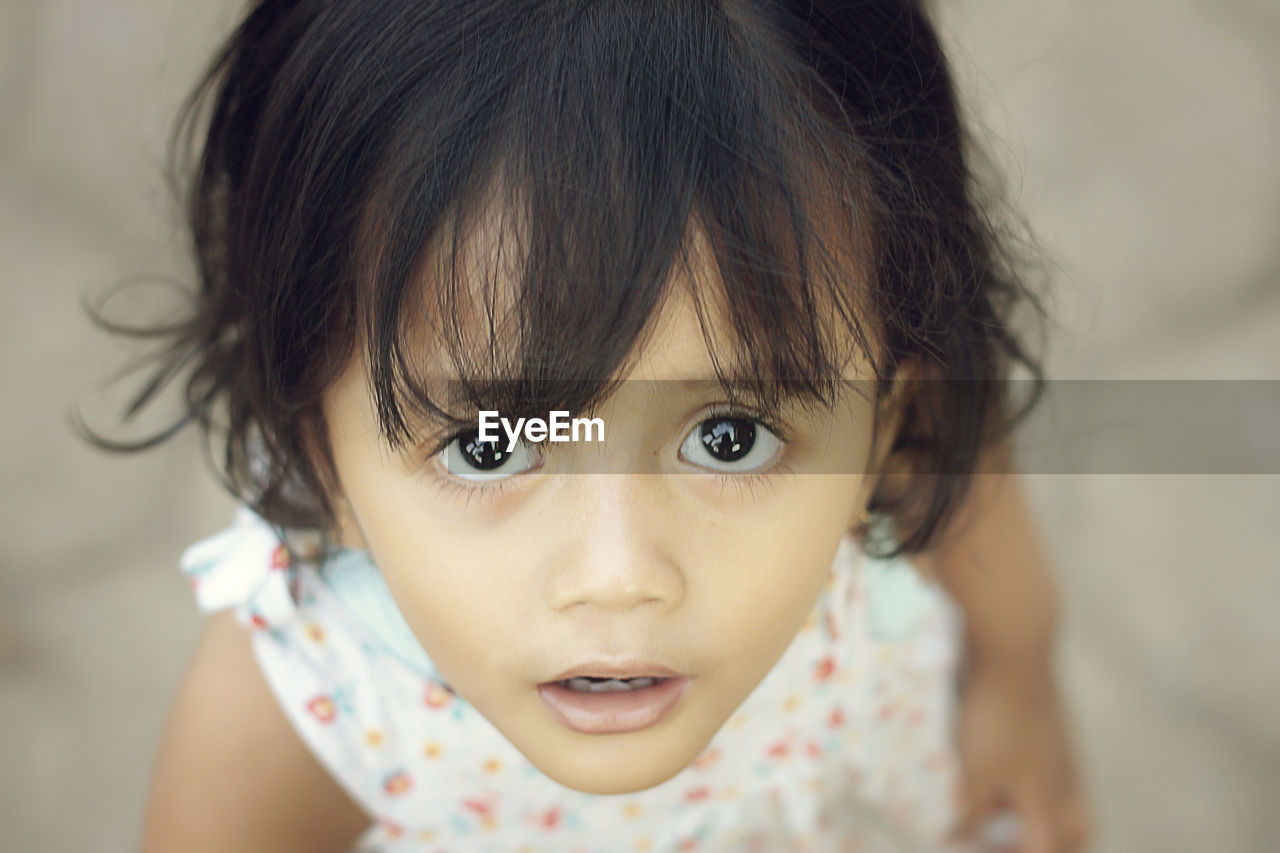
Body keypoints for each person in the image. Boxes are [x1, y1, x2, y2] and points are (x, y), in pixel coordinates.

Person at [86, 1, 1090, 850]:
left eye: (728, 435)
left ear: (884, 430)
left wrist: (1016, 676)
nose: (616, 576)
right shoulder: (314, 702)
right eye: (492, 445)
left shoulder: (911, 437)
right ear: (321, 458)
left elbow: (968, 460)